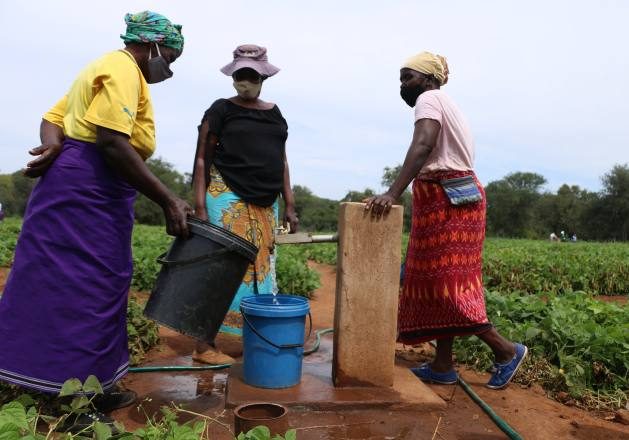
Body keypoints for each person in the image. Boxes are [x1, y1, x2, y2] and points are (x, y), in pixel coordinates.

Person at [0, 11, 190, 428]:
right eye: (170, 57)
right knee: (81, 288)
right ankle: (71, 405)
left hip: (93, 186)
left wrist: (52, 147)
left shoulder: (107, 68)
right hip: (86, 186)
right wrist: (168, 198)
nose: (169, 68)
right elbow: (111, 142)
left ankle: (93, 385)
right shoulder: (121, 69)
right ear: (151, 45)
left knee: (104, 282)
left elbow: (53, 118)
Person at [365, 51, 527, 389]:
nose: (403, 85)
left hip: (448, 199)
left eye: (407, 77)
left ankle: (505, 350)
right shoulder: (444, 102)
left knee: (446, 285)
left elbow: (423, 144)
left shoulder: (429, 98)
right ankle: (442, 366)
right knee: (437, 281)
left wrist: (392, 193)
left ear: (427, 79)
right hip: (450, 196)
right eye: (400, 79)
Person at [191, 44, 298, 365]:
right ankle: (203, 344)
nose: (244, 81)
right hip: (227, 198)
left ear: (262, 77)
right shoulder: (221, 110)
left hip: (266, 202)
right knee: (221, 268)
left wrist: (289, 204)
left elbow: (281, 162)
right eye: (240, 75)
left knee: (260, 270)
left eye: (251, 75)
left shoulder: (275, 113)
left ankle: (252, 335)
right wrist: (199, 206)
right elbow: (201, 159)